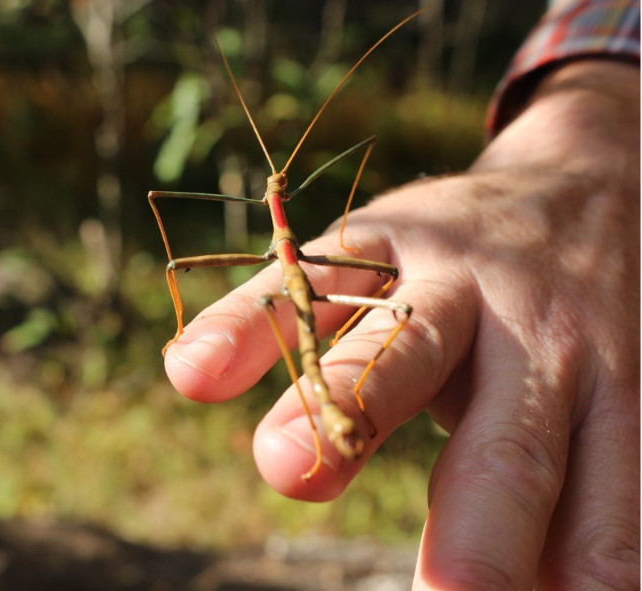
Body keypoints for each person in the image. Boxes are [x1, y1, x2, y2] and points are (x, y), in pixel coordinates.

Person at [161, 0, 640, 588]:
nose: (277, 185)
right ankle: (323, 396)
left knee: (370, 300)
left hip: (302, 270)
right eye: (277, 185)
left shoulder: (288, 221)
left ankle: (329, 399)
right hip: (301, 271)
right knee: (347, 303)